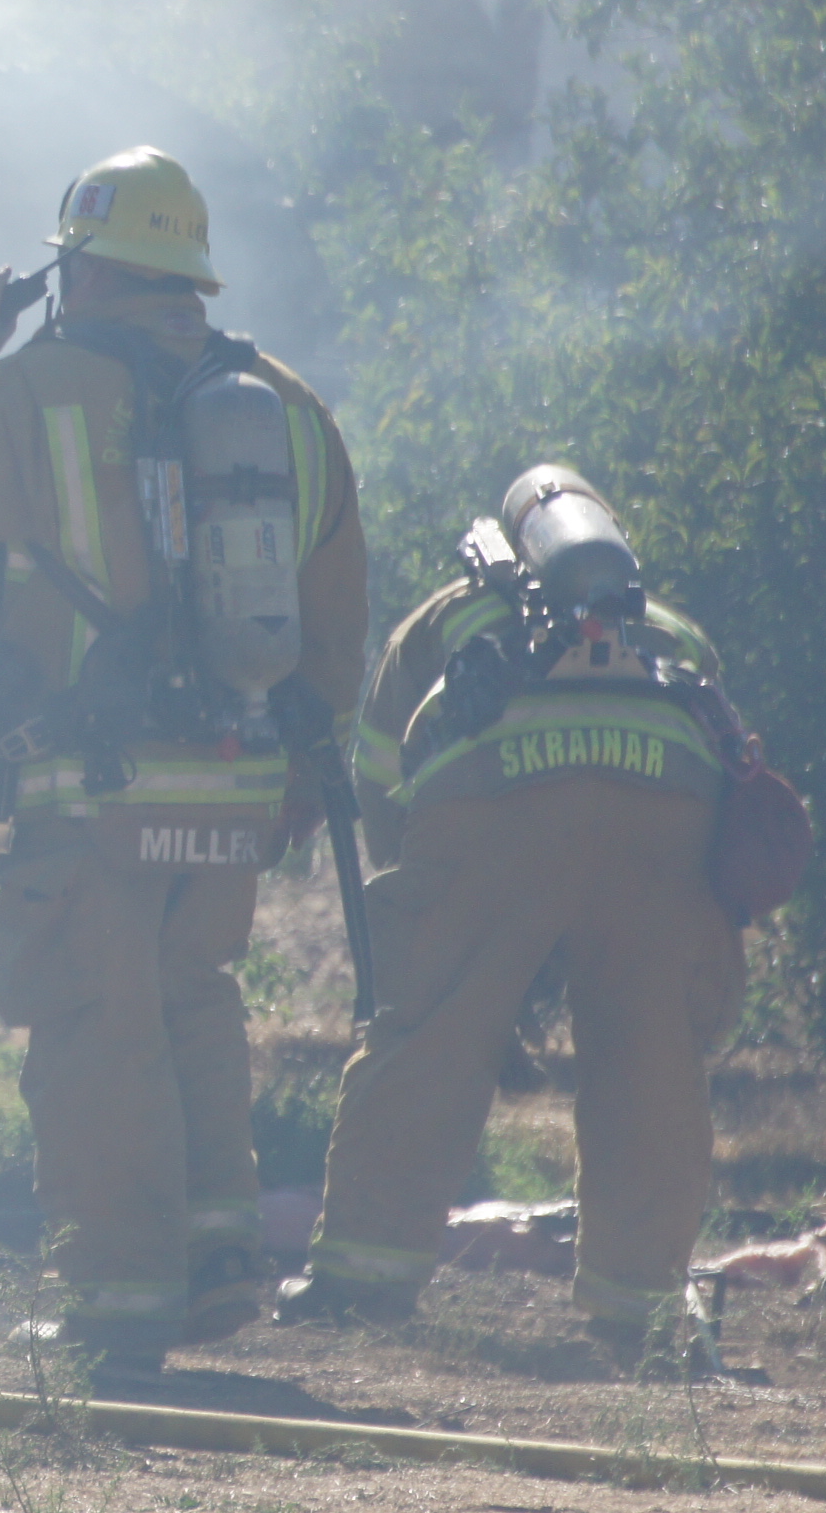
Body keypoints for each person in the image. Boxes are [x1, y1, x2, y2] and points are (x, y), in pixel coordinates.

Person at [0, 146, 367, 1371]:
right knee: (194, 1004)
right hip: (238, 784)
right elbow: (334, 609)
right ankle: (210, 1261)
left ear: (76, 268)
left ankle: (114, 1299)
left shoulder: (37, 384)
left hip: (89, 785)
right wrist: (296, 778)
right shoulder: (288, 408)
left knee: (97, 1021)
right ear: (188, 272)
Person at [279, 466, 748, 1362]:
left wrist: (431, 896)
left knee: (428, 1038)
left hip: (493, 802)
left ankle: (362, 1280)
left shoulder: (452, 616)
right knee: (651, 1054)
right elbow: (726, 761)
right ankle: (642, 1305)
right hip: (663, 817)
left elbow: (379, 763)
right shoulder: (672, 629)